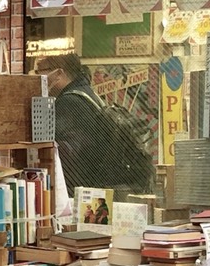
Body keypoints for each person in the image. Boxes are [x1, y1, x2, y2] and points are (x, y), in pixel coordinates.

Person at [32, 52, 155, 197]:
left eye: (39, 72)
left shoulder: (70, 102)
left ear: (58, 73)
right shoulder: (88, 94)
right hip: (96, 184)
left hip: (79, 189)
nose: (36, 77)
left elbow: (67, 153)